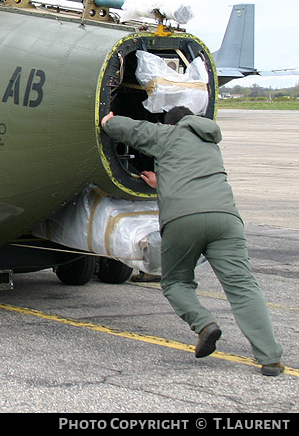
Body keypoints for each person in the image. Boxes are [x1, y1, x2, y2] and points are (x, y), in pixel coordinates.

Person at [102, 106, 284, 376]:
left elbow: (134, 131)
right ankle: (270, 357)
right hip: (225, 218)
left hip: (183, 220)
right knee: (243, 287)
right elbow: (191, 173)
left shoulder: (169, 135)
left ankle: (204, 324)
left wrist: (109, 121)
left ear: (172, 123)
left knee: (176, 282)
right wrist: (161, 180)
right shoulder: (210, 143)